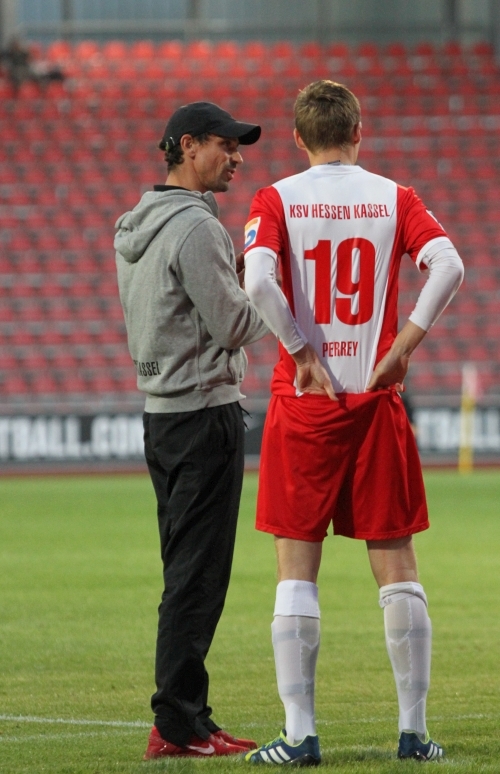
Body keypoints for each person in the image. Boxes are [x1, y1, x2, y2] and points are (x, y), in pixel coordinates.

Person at [242, 80, 464, 765]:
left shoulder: (276, 198)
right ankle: (414, 734)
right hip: (374, 396)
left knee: (296, 570)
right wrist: (403, 347)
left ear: (298, 138)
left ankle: (300, 735)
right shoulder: (395, 197)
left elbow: (256, 280)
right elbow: (448, 264)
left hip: (304, 401)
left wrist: (303, 352)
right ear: (358, 132)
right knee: (397, 566)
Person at [114, 102, 268, 759]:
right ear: (187, 146)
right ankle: (177, 724)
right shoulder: (198, 226)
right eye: (225, 145)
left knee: (186, 571)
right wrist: (271, 292)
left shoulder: (138, 222)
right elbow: (235, 325)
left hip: (163, 414)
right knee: (197, 578)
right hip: (205, 414)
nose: (237, 157)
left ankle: (190, 718)